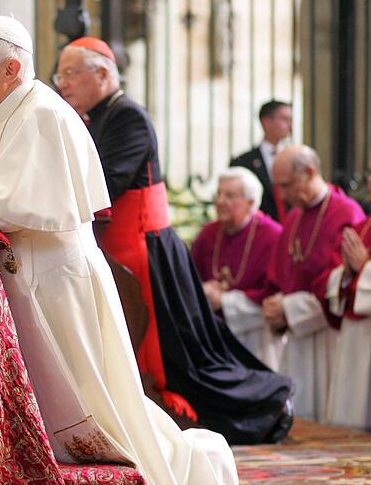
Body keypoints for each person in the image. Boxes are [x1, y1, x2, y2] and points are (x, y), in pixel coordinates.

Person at [0, 16, 238, 485]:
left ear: (11, 68)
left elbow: (7, 205)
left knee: (98, 406)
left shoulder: (43, 114)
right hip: (24, 278)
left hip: (57, 283)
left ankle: (188, 464)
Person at [56, 36, 293, 445]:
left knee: (180, 355)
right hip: (120, 245)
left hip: (143, 249)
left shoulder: (128, 116)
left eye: (70, 73)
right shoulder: (99, 116)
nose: (62, 83)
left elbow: (106, 183)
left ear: (102, 73)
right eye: (60, 75)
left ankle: (264, 403)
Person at [262, 145, 365, 422]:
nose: (282, 195)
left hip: (327, 335)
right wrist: (277, 304)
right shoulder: (295, 216)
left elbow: (341, 286)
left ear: (309, 173)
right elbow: (281, 275)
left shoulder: (346, 213)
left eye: (287, 185)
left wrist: (289, 307)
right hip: (297, 334)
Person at [324, 142, 371, 431]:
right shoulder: (363, 226)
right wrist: (345, 274)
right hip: (358, 335)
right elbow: (340, 286)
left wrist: (366, 267)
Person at [191, 167, 284, 370]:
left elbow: (273, 294)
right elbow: (189, 279)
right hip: (213, 335)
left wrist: (224, 301)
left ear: (250, 203)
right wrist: (204, 290)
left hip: (256, 338)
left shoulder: (272, 236)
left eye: (230, 196)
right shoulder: (208, 234)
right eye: (219, 194)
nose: (220, 201)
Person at [230, 101, 293, 222]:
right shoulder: (244, 162)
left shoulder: (295, 158)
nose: (290, 126)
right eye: (285, 119)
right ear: (266, 122)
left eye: (290, 120)